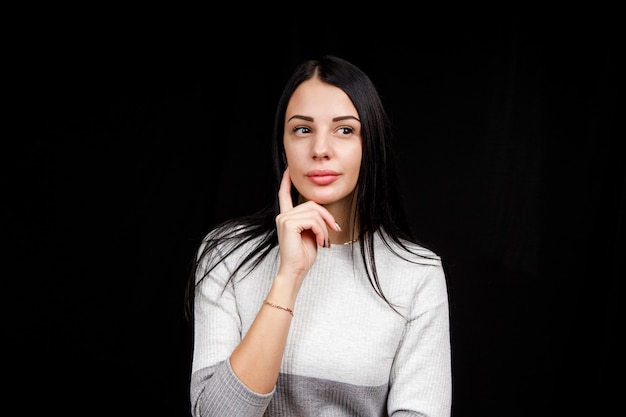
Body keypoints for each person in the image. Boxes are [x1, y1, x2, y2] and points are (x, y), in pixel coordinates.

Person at [185, 55, 452, 416]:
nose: (320, 149)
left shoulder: (416, 273)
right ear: (283, 146)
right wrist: (288, 276)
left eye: (344, 130)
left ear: (369, 146)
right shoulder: (225, 253)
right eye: (302, 129)